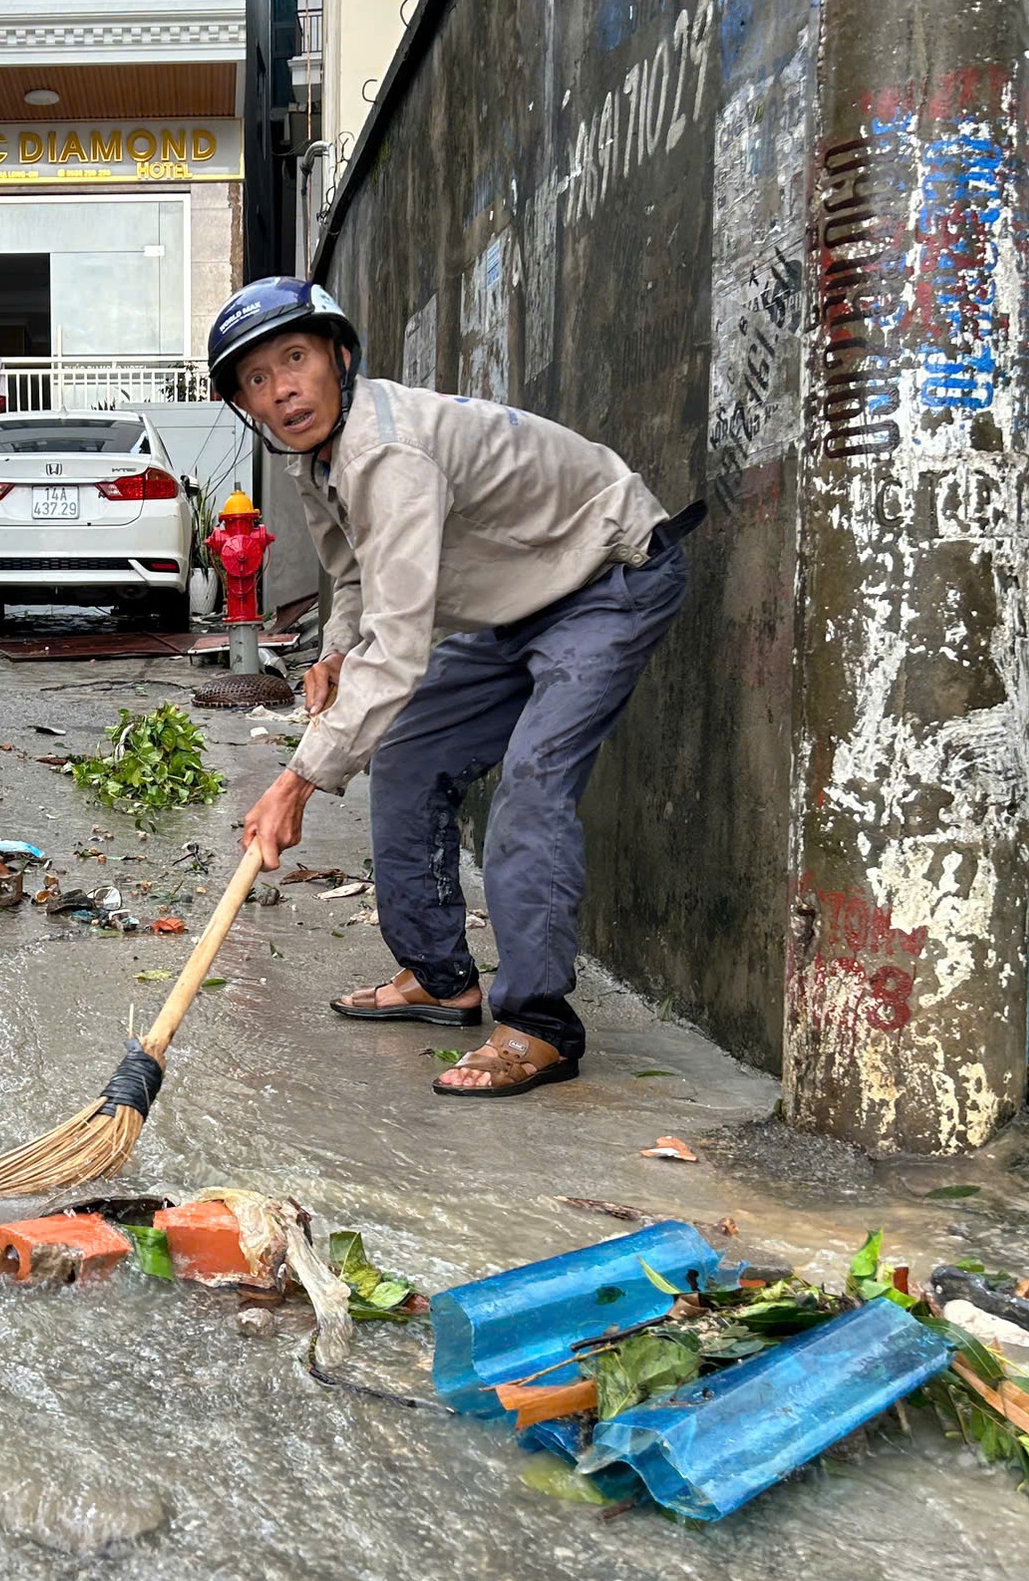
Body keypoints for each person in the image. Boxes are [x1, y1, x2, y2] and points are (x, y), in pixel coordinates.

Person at [213, 277, 701, 1100]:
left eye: (295, 360)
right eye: (257, 380)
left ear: (338, 355)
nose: (282, 390)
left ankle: (541, 1024)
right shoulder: (317, 461)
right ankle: (441, 977)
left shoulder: (388, 453)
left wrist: (299, 778)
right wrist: (334, 650)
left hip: (609, 579)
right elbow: (355, 577)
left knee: (532, 785)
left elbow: (400, 649)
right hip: (521, 602)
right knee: (406, 755)